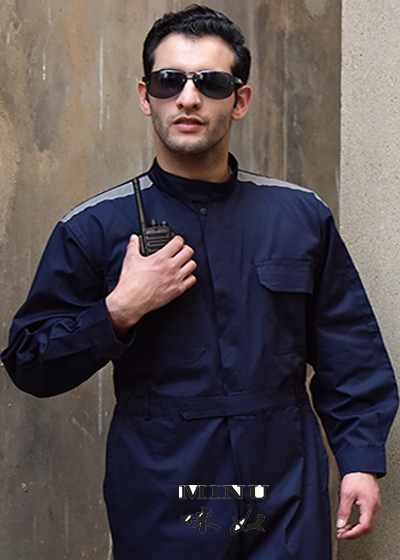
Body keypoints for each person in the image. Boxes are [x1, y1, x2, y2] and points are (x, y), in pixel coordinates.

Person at [1, 5, 398, 560]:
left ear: (240, 99)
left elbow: (348, 350)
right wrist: (120, 310)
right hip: (167, 487)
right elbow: (29, 362)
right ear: (146, 96)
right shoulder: (95, 227)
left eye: (210, 83)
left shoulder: (299, 217)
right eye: (169, 81)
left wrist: (359, 460)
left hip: (283, 483)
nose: (188, 98)